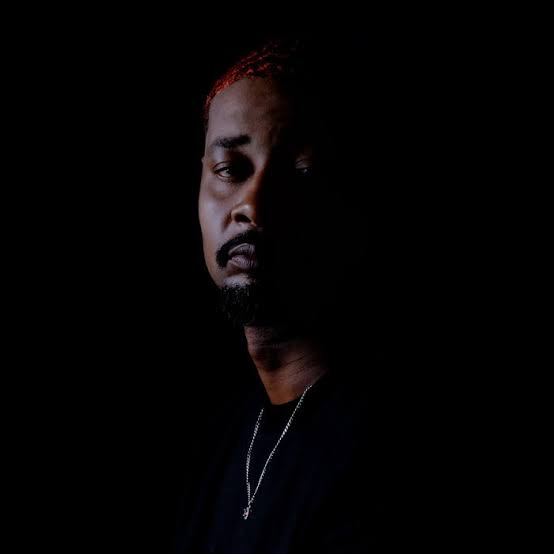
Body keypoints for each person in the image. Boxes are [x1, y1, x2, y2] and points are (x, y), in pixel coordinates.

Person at [173, 36, 396, 553]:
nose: (252, 204)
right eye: (231, 170)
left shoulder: (378, 448)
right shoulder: (221, 440)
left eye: (301, 173)